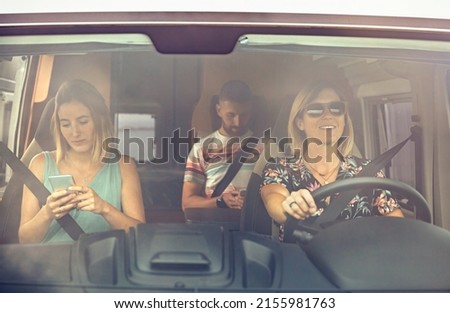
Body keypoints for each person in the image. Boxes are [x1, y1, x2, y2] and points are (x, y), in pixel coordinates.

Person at [260, 80, 403, 241]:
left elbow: (396, 227)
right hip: (301, 262)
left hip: (358, 262)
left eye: (336, 108)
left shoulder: (369, 171)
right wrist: (290, 206)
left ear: (344, 119)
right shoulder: (280, 168)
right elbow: (273, 198)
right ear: (300, 122)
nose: (328, 115)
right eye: (315, 110)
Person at [19, 79, 145, 243]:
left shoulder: (123, 166)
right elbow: (25, 241)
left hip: (99, 262)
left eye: (83, 121)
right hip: (48, 263)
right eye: (66, 124)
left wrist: (104, 208)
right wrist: (47, 213)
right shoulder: (40, 163)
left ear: (99, 120)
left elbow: (140, 234)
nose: (75, 132)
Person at [182, 80, 261, 211]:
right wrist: (219, 201)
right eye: (231, 115)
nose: (237, 122)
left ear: (251, 111)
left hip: (254, 226)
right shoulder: (200, 149)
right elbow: (187, 203)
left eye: (244, 115)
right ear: (219, 110)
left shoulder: (266, 148)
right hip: (215, 225)